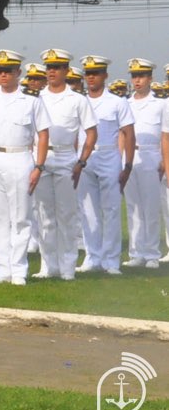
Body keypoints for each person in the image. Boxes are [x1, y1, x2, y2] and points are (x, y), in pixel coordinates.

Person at [0, 49, 51, 285]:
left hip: (20, 157)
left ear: (18, 72)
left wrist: (39, 166)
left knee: (20, 218)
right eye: (0, 71)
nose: (3, 75)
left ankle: (18, 270)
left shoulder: (31, 101)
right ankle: (1, 269)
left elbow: (43, 134)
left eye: (8, 70)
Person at [30, 49, 97, 280]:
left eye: (56, 67)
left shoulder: (77, 100)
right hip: (41, 159)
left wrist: (81, 162)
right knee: (44, 215)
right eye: (48, 67)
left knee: (67, 215)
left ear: (66, 70)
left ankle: (68, 266)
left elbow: (91, 133)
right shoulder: (36, 98)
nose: (51, 71)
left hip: (66, 157)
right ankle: (48, 266)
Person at [76, 55, 134, 275]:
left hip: (109, 155)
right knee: (88, 211)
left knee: (111, 209)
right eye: (88, 73)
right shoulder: (80, 101)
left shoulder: (117, 102)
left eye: (96, 73)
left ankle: (111, 260)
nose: (91, 77)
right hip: (85, 157)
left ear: (105, 75)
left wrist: (127, 165)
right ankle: (92, 257)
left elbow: (129, 133)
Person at [123, 58, 162, 268]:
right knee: (133, 207)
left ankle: (152, 253)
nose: (137, 80)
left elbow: (166, 135)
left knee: (150, 207)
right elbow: (121, 134)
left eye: (141, 76)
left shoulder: (161, 104)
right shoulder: (125, 104)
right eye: (134, 76)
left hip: (151, 154)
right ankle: (136, 253)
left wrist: (164, 160)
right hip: (131, 156)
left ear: (150, 78)